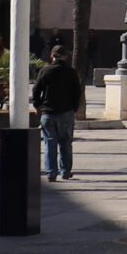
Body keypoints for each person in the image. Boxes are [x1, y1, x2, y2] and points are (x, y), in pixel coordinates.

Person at [30, 44, 82, 181]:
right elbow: (77, 92)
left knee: (49, 143)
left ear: (51, 56)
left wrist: (38, 105)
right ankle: (65, 171)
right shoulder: (71, 72)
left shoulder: (45, 70)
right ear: (65, 56)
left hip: (48, 112)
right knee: (65, 143)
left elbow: (36, 89)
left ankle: (51, 172)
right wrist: (74, 108)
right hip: (66, 112)